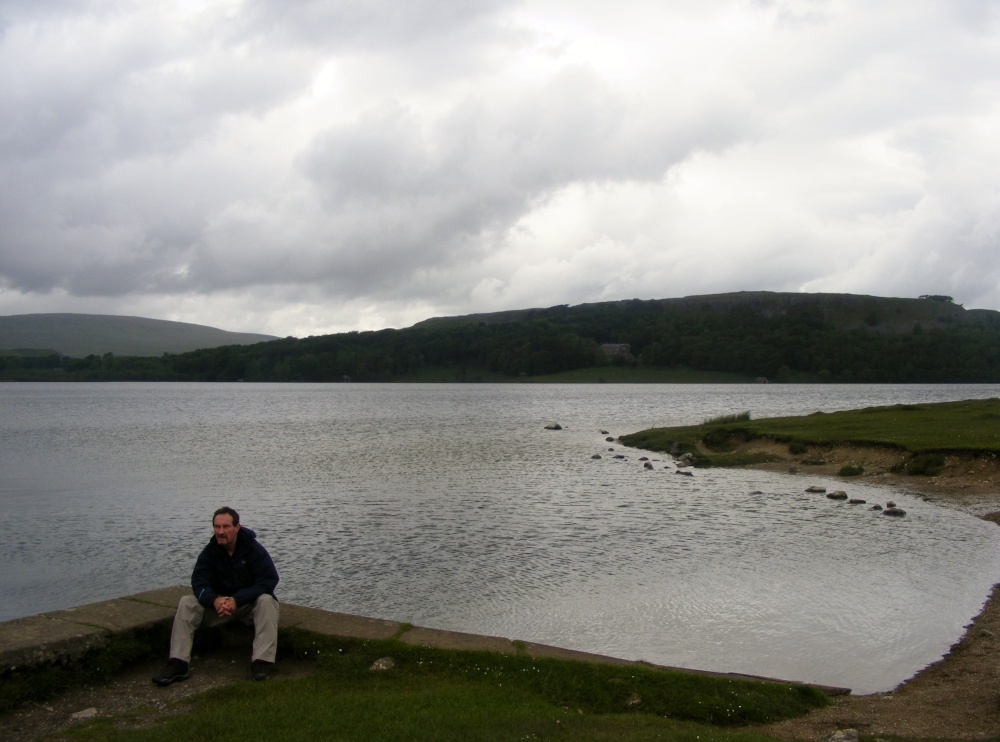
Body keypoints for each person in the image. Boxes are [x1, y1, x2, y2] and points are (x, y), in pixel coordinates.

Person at [153, 506, 279, 685]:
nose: (220, 531)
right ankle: (178, 664)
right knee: (187, 602)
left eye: (226, 527)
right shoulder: (210, 552)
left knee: (267, 601)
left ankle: (262, 663)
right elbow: (198, 582)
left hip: (247, 607)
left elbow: (269, 580)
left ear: (237, 527)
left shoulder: (254, 549)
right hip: (218, 608)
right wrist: (214, 599)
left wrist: (237, 600)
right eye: (217, 527)